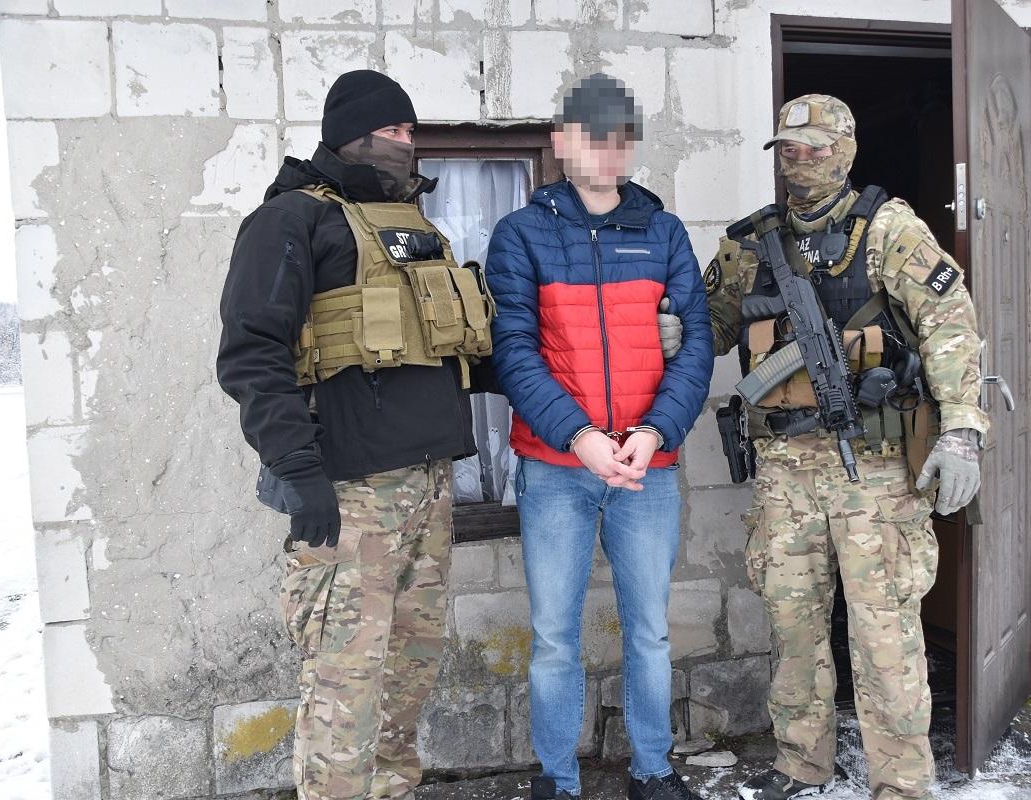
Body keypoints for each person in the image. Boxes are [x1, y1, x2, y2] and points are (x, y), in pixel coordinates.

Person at [217, 70, 496, 800]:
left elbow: (452, 344)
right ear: (350, 136)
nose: (406, 143)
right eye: (391, 131)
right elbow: (251, 354)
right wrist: (297, 468)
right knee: (344, 692)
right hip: (352, 496)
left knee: (406, 684)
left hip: (429, 486)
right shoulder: (291, 221)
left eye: (411, 131)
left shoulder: (416, 228)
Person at [707, 94, 987, 800]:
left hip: (876, 472)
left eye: (816, 148)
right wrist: (673, 331)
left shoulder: (890, 229)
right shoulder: (750, 244)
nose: (800, 162)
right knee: (793, 627)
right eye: (789, 150)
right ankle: (801, 762)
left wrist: (961, 429)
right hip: (784, 471)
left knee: (884, 634)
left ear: (846, 151)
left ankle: (902, 782)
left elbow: (950, 324)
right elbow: (714, 322)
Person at [484, 73, 714, 800]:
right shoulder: (522, 234)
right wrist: (579, 435)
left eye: (620, 136)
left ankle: (652, 769)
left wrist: (656, 431)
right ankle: (558, 779)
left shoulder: (663, 232)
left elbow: (697, 345)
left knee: (650, 632)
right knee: (555, 636)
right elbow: (513, 351)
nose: (607, 150)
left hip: (648, 468)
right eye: (592, 135)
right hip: (557, 470)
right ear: (562, 142)